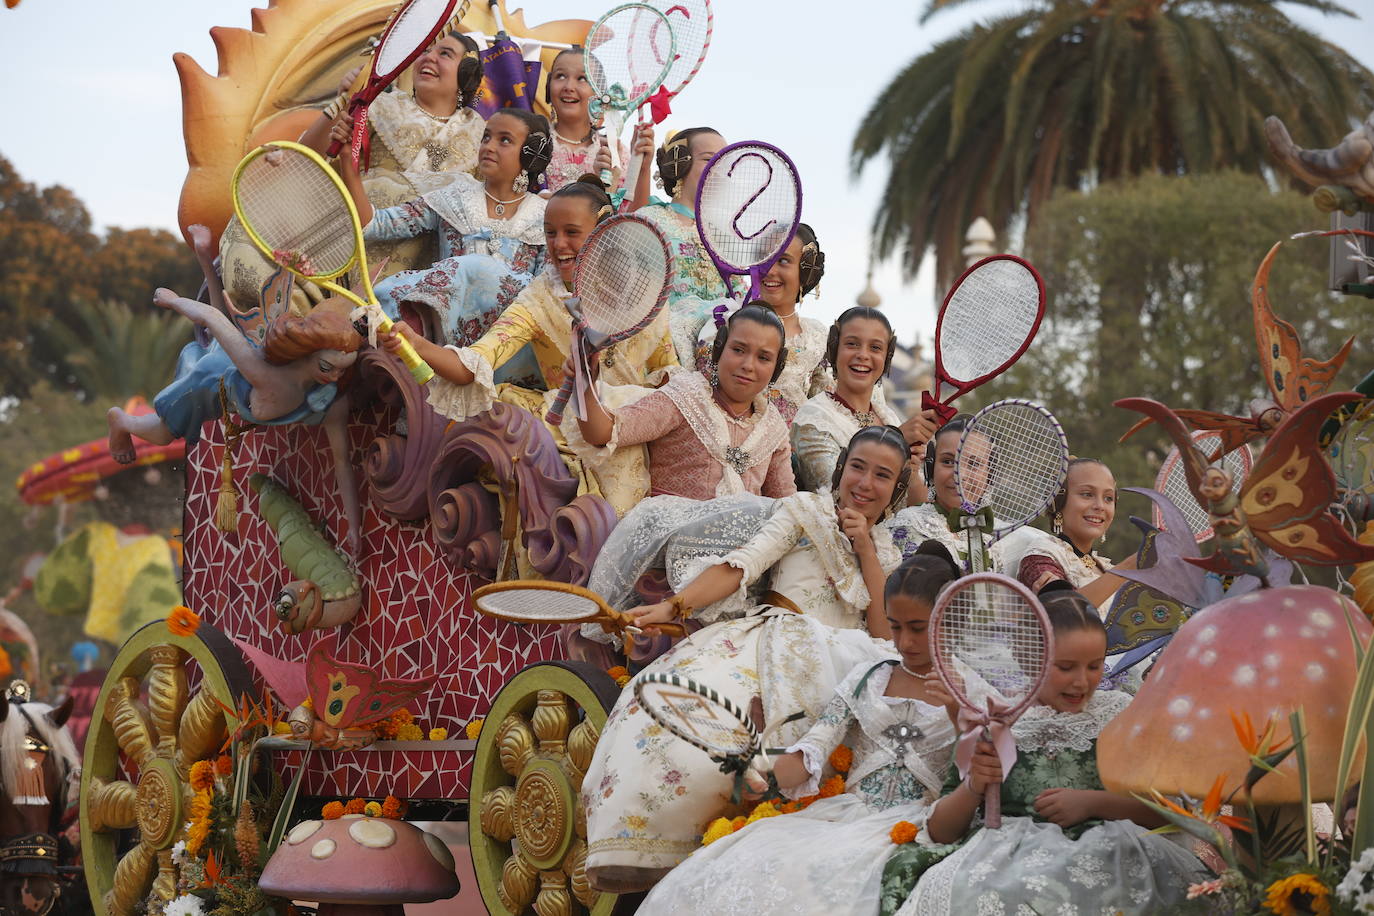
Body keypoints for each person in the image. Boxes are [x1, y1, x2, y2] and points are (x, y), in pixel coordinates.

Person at [582, 426, 911, 892]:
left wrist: (866, 550)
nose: (865, 483)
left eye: (882, 475)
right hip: (776, 640)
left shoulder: (888, 552)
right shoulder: (803, 512)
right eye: (857, 467)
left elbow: (884, 635)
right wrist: (673, 607)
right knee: (686, 713)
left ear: (896, 489)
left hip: (851, 668)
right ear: (840, 470)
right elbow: (743, 564)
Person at [635, 545, 963, 915]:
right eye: (896, 627)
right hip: (845, 818)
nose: (904, 642)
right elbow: (813, 750)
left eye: (917, 628)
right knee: (746, 865)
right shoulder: (870, 677)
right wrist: (760, 768)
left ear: (947, 618)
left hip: (926, 828)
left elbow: (978, 777)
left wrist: (960, 712)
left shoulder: (976, 693)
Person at [881, 589, 1207, 915]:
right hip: (1009, 864)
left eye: (1094, 666)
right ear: (1030, 657)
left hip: (1116, 857)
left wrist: (1095, 803)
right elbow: (941, 831)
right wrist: (974, 785)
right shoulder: (995, 721)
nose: (1081, 682)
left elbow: (1172, 811)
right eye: (1066, 667)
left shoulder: (1121, 716)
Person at [379, 176, 679, 514]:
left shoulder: (646, 294)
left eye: (571, 232)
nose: (559, 244)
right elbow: (475, 363)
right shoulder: (540, 298)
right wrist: (417, 344)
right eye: (550, 232)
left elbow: (669, 373)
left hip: (636, 424)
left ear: (602, 230)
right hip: (568, 430)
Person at [218, 33, 486, 312]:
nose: (428, 57)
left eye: (444, 54)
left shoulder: (483, 136)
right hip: (346, 238)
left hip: (416, 267)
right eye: (424, 50)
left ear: (467, 76)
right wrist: (346, 101)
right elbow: (308, 161)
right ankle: (297, 303)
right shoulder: (378, 105)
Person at [335, 108, 551, 345]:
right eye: (486, 137)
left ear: (531, 156)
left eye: (505, 140)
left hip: (509, 342)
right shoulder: (453, 198)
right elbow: (374, 224)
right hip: (441, 339)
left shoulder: (546, 217)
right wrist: (349, 160)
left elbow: (544, 294)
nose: (489, 146)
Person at [569, 304, 795, 502]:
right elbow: (601, 432)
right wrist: (583, 383)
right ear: (719, 348)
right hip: (669, 535)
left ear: (777, 367)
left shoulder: (773, 429)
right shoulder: (686, 396)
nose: (748, 364)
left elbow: (786, 504)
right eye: (738, 350)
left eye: (763, 358)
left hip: (746, 547)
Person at [792, 307, 937, 497]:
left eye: (875, 347)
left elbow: (913, 504)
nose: (863, 355)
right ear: (834, 349)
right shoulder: (814, 418)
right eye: (852, 344)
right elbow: (840, 497)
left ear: (887, 357)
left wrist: (912, 466)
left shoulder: (889, 417)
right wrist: (897, 441)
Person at [693, 224, 831, 424]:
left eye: (783, 260)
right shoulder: (723, 321)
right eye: (764, 258)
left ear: (806, 271)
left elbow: (827, 411)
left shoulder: (818, 338)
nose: (770, 270)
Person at [999, 458, 1135, 612]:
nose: (1100, 506)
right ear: (1059, 501)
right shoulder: (1041, 557)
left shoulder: (1106, 568)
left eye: (1108, 498)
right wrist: (1129, 567)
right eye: (1087, 494)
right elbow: (1067, 611)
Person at [884, 416, 988, 565]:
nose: (960, 475)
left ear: (990, 473)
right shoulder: (909, 524)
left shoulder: (994, 540)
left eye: (973, 463)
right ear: (931, 467)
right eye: (948, 461)